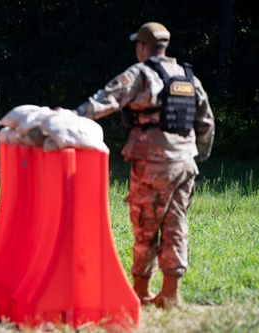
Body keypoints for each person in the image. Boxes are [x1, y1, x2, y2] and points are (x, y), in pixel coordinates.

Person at [70, 22, 214, 309]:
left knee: (145, 225)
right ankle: (171, 294)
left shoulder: (141, 74)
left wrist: (71, 118)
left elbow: (105, 101)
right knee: (176, 224)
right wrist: (199, 154)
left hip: (154, 164)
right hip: (185, 164)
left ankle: (141, 293)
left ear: (142, 47)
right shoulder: (189, 77)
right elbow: (206, 121)